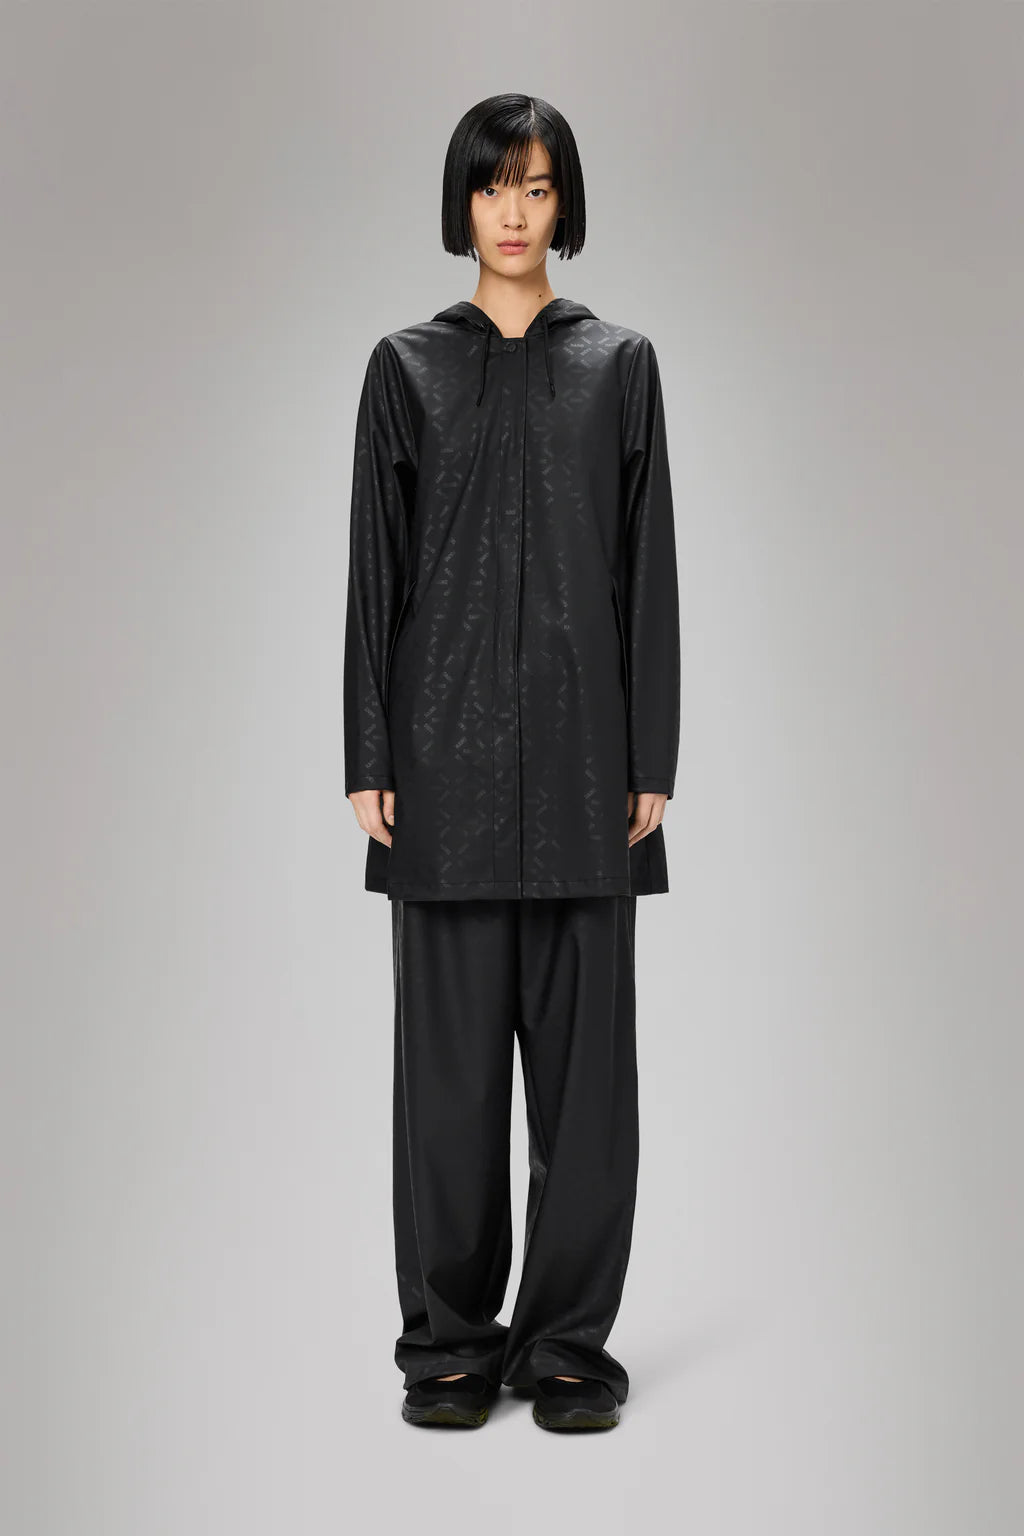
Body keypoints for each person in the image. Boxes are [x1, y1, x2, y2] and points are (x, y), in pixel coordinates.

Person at [343, 93, 680, 1431]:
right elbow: (375, 571)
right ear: (463, 203)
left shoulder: (622, 366)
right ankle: (449, 1344)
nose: (517, 213)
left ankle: (568, 1347)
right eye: (495, 188)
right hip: (441, 774)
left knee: (590, 1092)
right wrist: (369, 748)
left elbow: (647, 568)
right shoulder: (406, 368)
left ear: (565, 203)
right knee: (448, 1088)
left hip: (594, 775)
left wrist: (653, 752)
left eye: (538, 188)